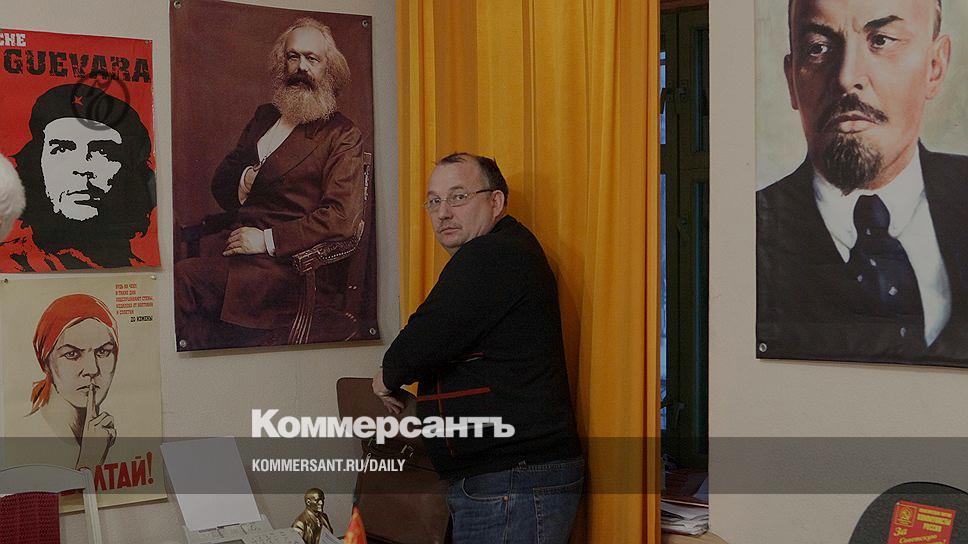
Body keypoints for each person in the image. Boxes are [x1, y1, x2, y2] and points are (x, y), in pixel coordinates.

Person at [372, 153, 584, 543]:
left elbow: (424, 338)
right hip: (509, 478)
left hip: (512, 480)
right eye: (433, 201)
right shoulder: (504, 250)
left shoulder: (492, 254)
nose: (443, 213)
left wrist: (386, 378)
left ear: (496, 201)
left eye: (458, 197)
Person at [756, 0, 968, 364]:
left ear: (935, 66)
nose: (845, 77)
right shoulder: (750, 231)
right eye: (818, 48)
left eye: (881, 40)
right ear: (792, 80)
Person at [174, 17, 366, 351]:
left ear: (329, 69)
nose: (301, 67)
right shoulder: (265, 116)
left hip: (290, 268)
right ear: (282, 62)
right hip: (236, 252)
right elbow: (221, 183)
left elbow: (340, 218)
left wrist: (265, 240)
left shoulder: (341, 134)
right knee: (189, 315)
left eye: (312, 58)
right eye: (293, 57)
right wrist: (246, 178)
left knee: (183, 279)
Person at [0, 84, 157, 271]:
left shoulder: (138, 268)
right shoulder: (14, 264)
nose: (82, 168)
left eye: (103, 151)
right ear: (36, 163)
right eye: (61, 149)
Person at [28, 294, 119, 471]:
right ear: (46, 363)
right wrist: (90, 459)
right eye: (72, 354)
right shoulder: (30, 435)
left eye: (103, 352)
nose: (92, 369)